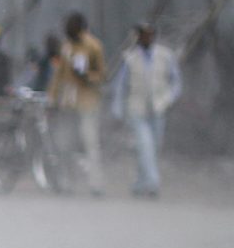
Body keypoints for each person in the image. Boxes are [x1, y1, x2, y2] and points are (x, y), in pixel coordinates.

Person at [112, 22, 182, 200]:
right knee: (145, 145)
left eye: (150, 34)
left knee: (154, 147)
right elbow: (121, 86)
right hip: (137, 108)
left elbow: (175, 82)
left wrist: (169, 98)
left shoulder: (165, 56)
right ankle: (152, 184)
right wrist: (117, 109)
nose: (147, 38)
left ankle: (140, 183)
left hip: (158, 107)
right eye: (143, 34)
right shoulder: (130, 58)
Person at [50, 12, 107, 194]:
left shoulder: (93, 46)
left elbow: (102, 75)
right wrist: (52, 97)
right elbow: (59, 75)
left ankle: (95, 184)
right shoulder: (66, 47)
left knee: (91, 144)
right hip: (68, 103)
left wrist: (88, 76)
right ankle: (66, 181)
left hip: (87, 102)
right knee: (64, 143)